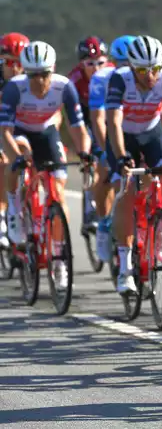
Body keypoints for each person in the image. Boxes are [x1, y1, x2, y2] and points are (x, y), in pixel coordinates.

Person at [0, 41, 92, 289]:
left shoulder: (64, 87)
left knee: (58, 192)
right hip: (19, 132)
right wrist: (15, 158)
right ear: (25, 72)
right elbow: (5, 131)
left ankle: (59, 255)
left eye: (44, 74)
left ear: (52, 70)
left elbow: (77, 128)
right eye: (33, 75)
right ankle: (15, 209)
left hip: (47, 132)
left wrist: (84, 153)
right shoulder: (14, 88)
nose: (39, 81)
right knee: (17, 157)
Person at [105, 35, 162, 294]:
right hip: (123, 137)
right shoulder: (120, 79)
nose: (150, 76)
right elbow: (113, 122)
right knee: (128, 192)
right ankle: (125, 268)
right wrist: (122, 155)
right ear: (131, 67)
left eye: (155, 69)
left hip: (152, 134)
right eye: (142, 70)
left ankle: (158, 233)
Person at [90, 35, 135, 263]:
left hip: (137, 131)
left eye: (131, 63)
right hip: (109, 132)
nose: (127, 69)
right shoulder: (102, 78)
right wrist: (106, 152)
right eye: (122, 64)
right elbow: (98, 119)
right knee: (107, 177)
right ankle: (104, 222)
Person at [69, 36, 112, 225]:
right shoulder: (74, 80)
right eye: (90, 63)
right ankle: (89, 203)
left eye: (100, 63)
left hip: (107, 112)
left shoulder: (114, 73)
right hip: (84, 113)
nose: (96, 68)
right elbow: (75, 119)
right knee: (91, 155)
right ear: (81, 64)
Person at [0, 32, 29, 249]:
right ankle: (4, 213)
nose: (15, 68)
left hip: (21, 127)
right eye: (10, 63)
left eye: (20, 63)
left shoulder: (32, 78)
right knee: (3, 162)